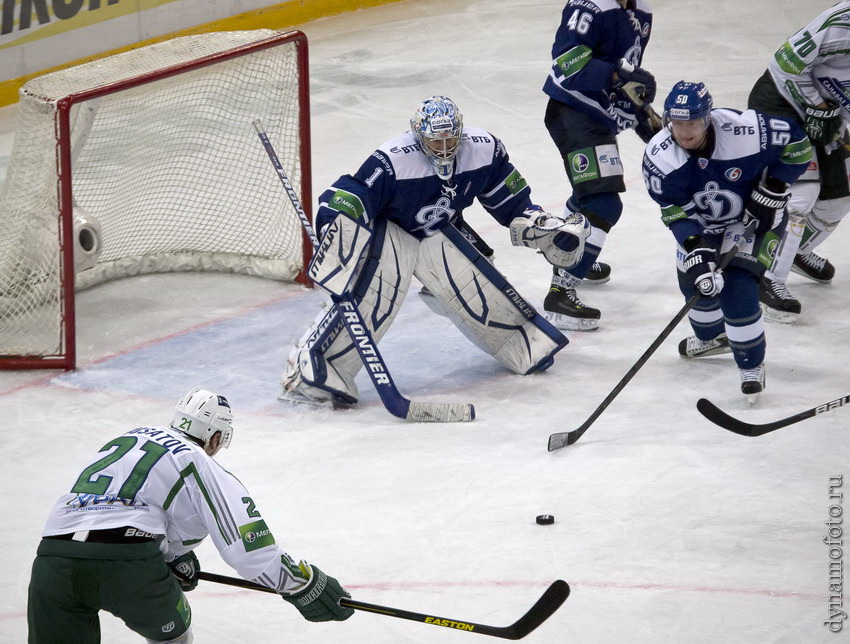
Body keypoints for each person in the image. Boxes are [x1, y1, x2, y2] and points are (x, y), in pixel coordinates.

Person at [280, 95, 589, 408]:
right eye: (434, 142)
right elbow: (353, 194)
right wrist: (337, 222)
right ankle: (314, 367)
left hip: (439, 234)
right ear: (418, 136)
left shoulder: (483, 151)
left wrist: (539, 225)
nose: (443, 149)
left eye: (450, 140)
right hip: (390, 234)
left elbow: (512, 203)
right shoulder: (393, 160)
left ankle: (519, 343)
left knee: (474, 286)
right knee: (375, 296)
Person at [27, 388, 353, 643]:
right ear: (215, 437)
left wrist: (170, 556)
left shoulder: (128, 437)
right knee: (174, 637)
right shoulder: (198, 460)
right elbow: (249, 548)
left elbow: (108, 510)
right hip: (125, 564)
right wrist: (304, 584)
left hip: (52, 560)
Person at [642, 81, 812, 401]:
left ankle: (750, 364)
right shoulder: (660, 157)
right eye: (676, 123)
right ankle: (712, 338)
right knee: (698, 287)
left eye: (691, 122)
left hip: (754, 221)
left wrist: (775, 186)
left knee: (736, 285)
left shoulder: (747, 131)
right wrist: (696, 247)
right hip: (703, 226)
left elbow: (799, 146)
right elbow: (675, 213)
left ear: (707, 118)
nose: (683, 131)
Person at [540, 0, 661, 331]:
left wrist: (644, 118)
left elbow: (625, 78)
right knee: (602, 202)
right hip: (574, 111)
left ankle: (571, 252)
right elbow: (566, 62)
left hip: (598, 116)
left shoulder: (642, 12)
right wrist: (616, 73)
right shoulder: (589, 6)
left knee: (587, 198)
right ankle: (560, 293)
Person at [747, 1, 850, 322]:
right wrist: (819, 105)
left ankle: (793, 251)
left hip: (827, 118)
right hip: (781, 103)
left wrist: (829, 115)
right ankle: (767, 277)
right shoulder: (843, 23)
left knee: (839, 196)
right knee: (801, 194)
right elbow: (785, 63)